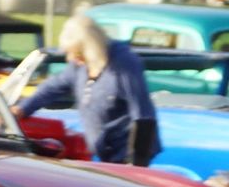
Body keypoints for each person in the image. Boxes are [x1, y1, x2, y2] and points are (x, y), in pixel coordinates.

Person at [15, 13, 160, 165]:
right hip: (104, 152)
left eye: (76, 53)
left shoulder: (123, 64)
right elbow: (53, 87)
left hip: (127, 154)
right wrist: (22, 109)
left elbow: (143, 114)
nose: (71, 58)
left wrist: (136, 163)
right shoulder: (79, 67)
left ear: (91, 49)